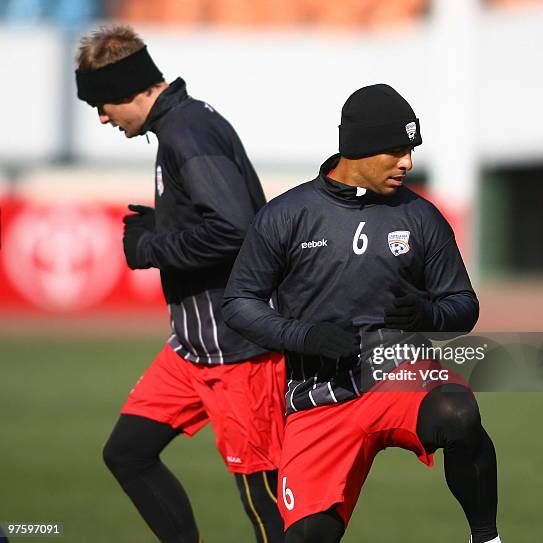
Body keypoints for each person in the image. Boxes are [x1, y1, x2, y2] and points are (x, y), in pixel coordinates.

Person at [223, 84, 500, 543]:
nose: (407, 162)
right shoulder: (286, 214)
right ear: (356, 149)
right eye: (395, 150)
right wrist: (305, 336)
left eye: (410, 149)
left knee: (458, 410)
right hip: (319, 397)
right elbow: (238, 303)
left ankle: (487, 539)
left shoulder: (422, 216)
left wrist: (428, 315)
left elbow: (463, 305)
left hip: (400, 378)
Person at [75, 25, 285, 543]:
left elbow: (235, 230)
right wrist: (165, 225)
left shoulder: (187, 132)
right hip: (192, 349)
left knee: (261, 494)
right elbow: (213, 216)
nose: (102, 116)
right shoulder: (183, 125)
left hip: (237, 351)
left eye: (102, 104)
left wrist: (152, 248)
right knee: (127, 453)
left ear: (128, 90)